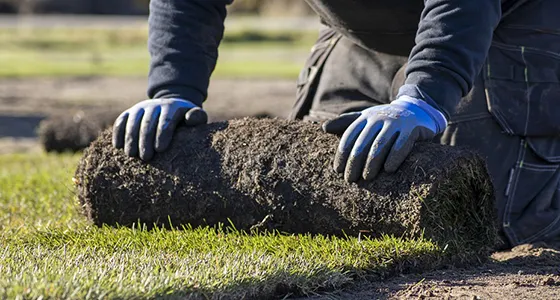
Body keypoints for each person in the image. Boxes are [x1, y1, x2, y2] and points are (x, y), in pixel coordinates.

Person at [112, 0, 560, 247]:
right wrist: (173, 88)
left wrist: (426, 95)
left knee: (488, 216)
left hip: (506, 21)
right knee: (319, 193)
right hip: (357, 34)